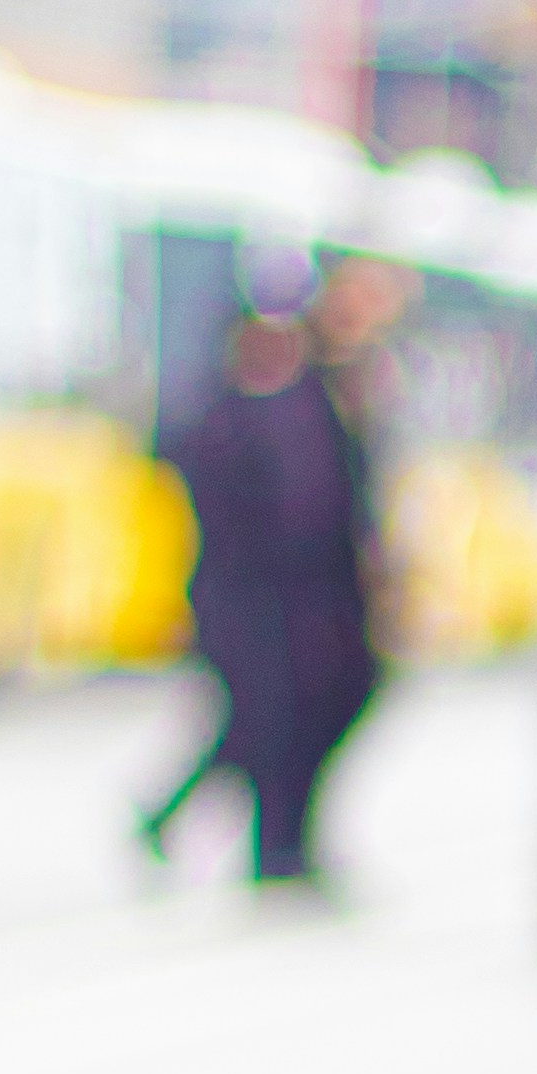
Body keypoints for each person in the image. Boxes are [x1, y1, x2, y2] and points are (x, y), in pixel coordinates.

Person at [142, 293, 382, 888]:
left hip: (299, 606)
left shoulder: (305, 404)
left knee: (270, 722)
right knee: (261, 722)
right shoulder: (224, 416)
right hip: (242, 605)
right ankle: (271, 847)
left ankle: (263, 840)